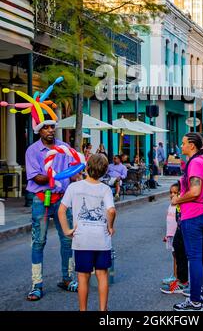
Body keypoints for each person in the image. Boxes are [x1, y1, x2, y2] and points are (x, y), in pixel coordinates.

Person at [25, 120, 78, 301]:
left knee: (67, 239)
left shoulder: (64, 147)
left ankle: (67, 278)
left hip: (62, 199)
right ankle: (36, 284)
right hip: (41, 199)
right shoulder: (32, 151)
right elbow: (37, 178)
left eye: (52, 127)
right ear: (39, 131)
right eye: (45, 128)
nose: (50, 130)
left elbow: (73, 171)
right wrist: (53, 177)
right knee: (38, 241)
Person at [58, 154, 116, 311]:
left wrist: (66, 230)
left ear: (86, 167)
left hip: (81, 239)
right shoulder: (105, 189)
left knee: (83, 276)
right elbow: (111, 211)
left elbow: (61, 210)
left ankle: (83, 309)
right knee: (102, 274)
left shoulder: (74, 187)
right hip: (101, 239)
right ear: (104, 171)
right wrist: (110, 226)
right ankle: (103, 309)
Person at [171, 132, 203, 312]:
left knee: (195, 258)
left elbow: (195, 191)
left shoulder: (196, 163)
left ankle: (195, 300)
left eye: (183, 143)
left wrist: (178, 199)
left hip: (193, 215)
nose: (181, 146)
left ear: (192, 145)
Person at [160, 182, 189, 294]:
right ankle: (177, 278)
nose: (172, 195)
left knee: (179, 256)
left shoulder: (179, 205)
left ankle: (179, 280)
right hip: (172, 235)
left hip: (178, 234)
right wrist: (167, 235)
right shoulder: (171, 205)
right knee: (175, 256)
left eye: (175, 193)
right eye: (171, 193)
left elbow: (178, 222)